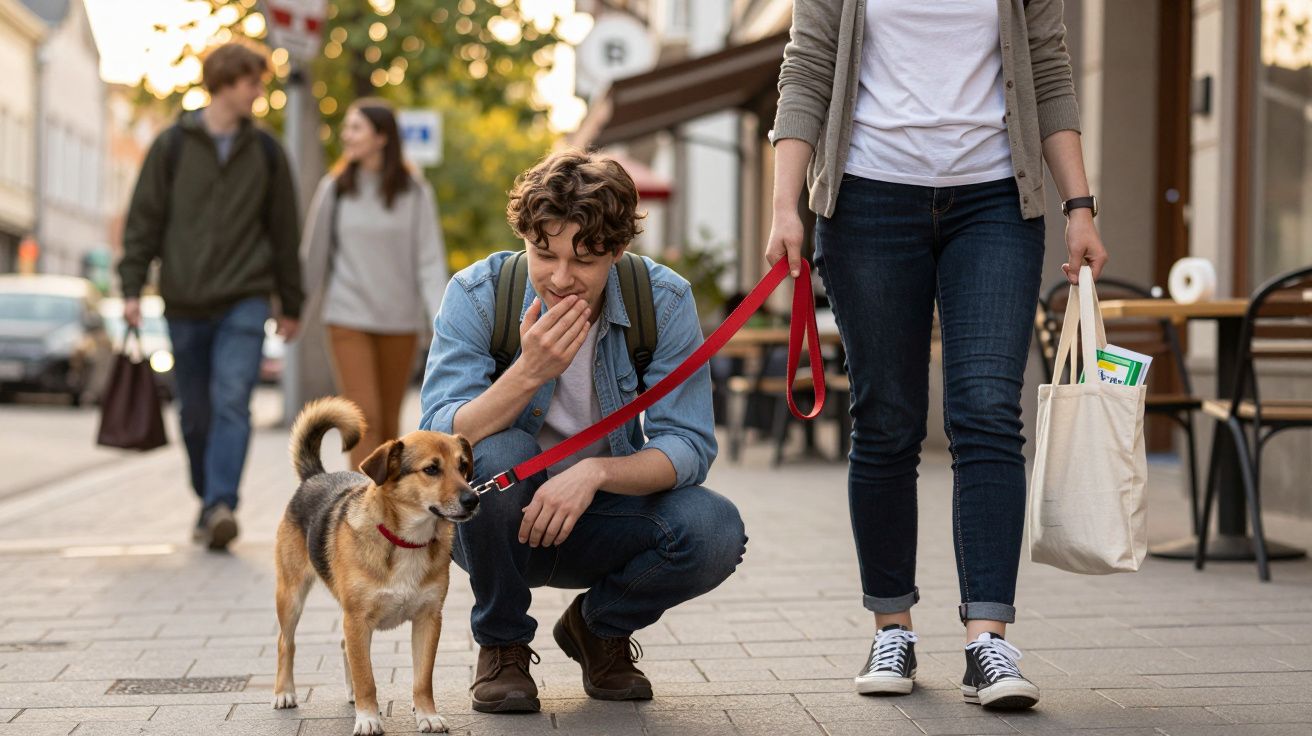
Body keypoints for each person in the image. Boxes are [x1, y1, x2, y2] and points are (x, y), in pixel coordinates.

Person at [767, 0, 1108, 710]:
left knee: (986, 409)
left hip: (995, 201)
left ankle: (989, 641)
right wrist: (784, 205)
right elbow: (807, 71)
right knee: (887, 417)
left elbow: (1048, 71)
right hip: (865, 201)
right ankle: (892, 626)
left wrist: (1080, 205)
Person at [419, 150, 746, 713]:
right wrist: (529, 373)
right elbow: (439, 438)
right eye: (544, 253)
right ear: (524, 236)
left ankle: (598, 628)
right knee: (499, 451)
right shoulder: (478, 294)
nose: (561, 278)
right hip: (498, 522)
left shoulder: (662, 302)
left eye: (585, 260)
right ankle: (502, 645)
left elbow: (688, 445)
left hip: (603, 519)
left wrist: (594, 472)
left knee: (714, 528)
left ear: (617, 252)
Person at [118, 42, 303, 551]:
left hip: (244, 299)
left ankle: (222, 503)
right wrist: (131, 287)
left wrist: (291, 302)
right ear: (225, 82)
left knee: (231, 402)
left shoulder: (266, 152)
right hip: (183, 300)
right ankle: (208, 500)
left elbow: (284, 233)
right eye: (252, 84)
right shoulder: (172, 146)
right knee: (194, 411)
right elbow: (143, 222)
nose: (258, 94)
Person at [301, 98, 446, 468]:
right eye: (346, 127)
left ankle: (387, 510)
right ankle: (361, 513)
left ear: (381, 137)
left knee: (389, 425)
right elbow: (313, 257)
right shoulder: (334, 189)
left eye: (355, 127)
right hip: (348, 318)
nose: (345, 135)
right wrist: (291, 311)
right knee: (364, 417)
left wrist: (441, 323)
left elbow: (429, 261)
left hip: (399, 322)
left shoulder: (415, 193)